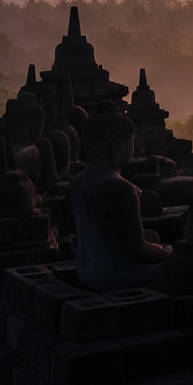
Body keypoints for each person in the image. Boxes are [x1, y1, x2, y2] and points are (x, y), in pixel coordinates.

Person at [70, 103, 169, 291]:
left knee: (154, 238)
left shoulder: (77, 182)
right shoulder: (120, 188)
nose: (134, 147)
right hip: (115, 276)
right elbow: (138, 251)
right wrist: (166, 253)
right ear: (116, 146)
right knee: (185, 264)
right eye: (131, 142)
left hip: (86, 273)